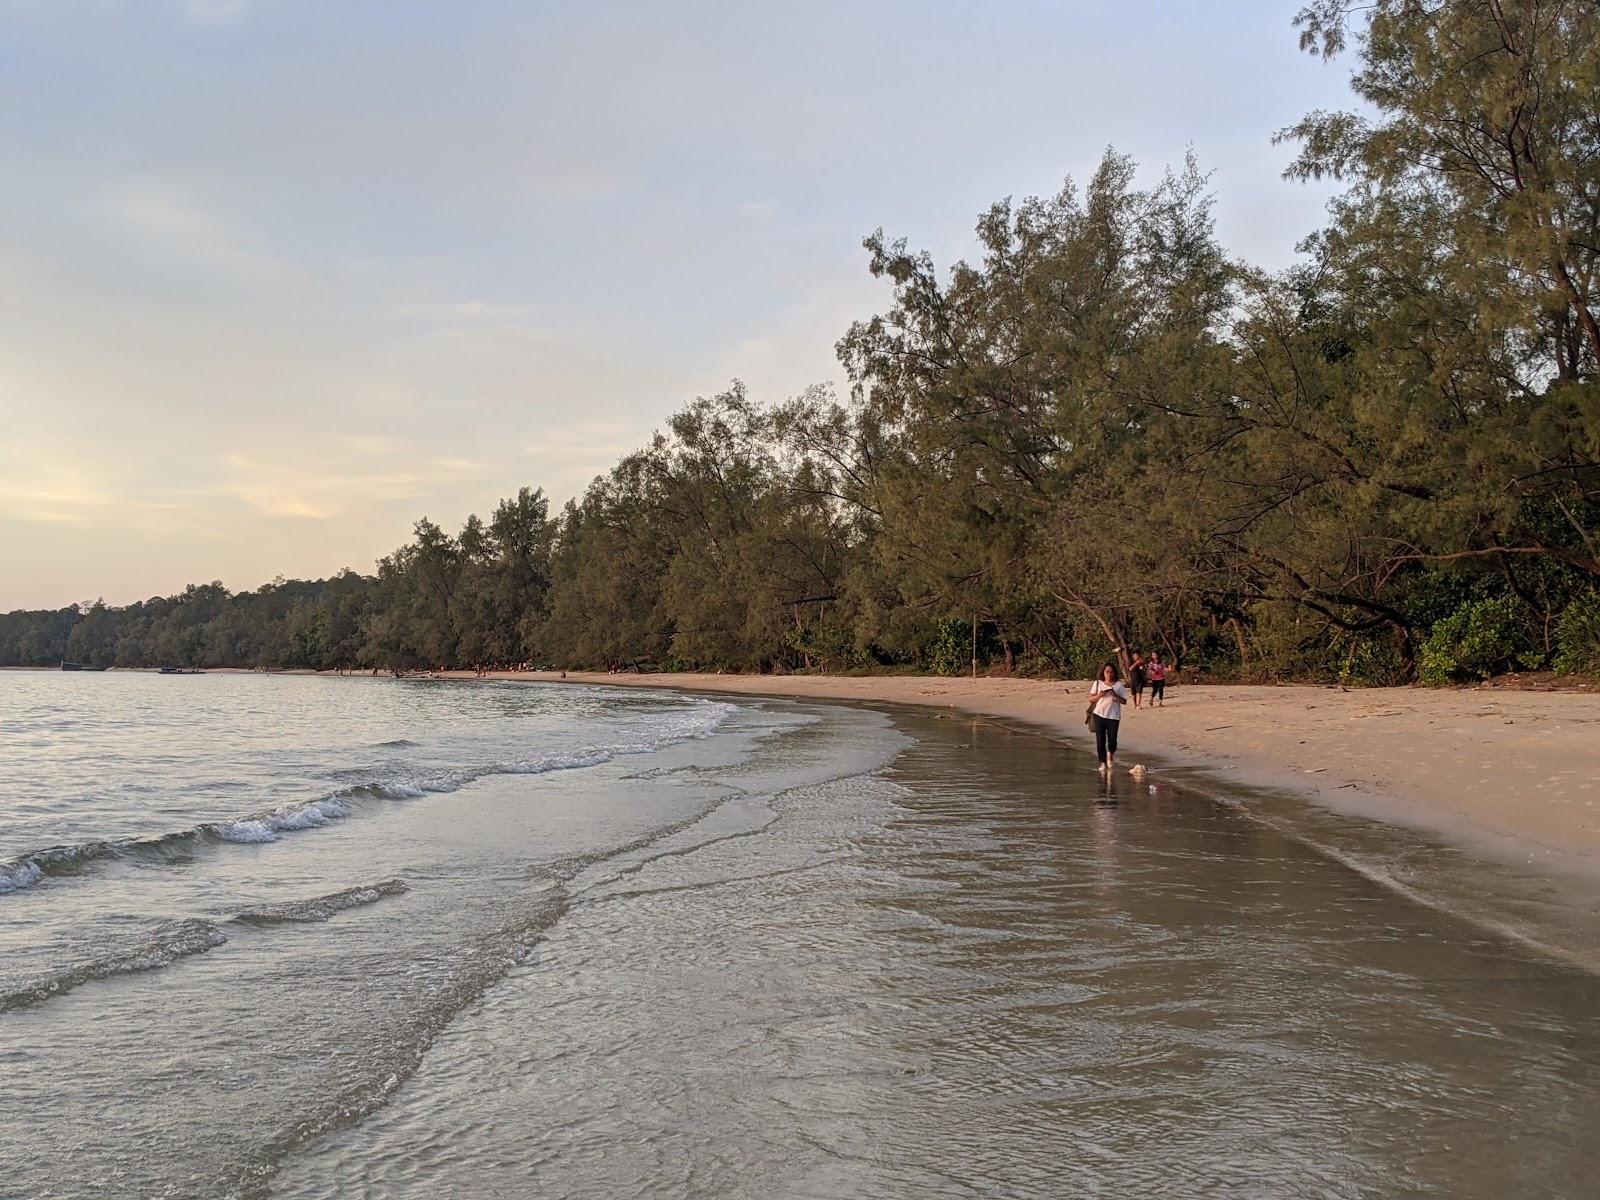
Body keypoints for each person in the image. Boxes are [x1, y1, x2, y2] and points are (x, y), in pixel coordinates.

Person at [1087, 662, 1129, 773]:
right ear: (1103, 672)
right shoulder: (1097, 683)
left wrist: (1115, 695)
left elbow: (1124, 701)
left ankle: (1110, 753)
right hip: (1099, 714)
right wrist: (1100, 695)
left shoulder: (1119, 685)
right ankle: (1103, 762)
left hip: (1113, 716)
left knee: (1112, 740)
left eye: (1111, 672)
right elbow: (1091, 699)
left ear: (1114, 673)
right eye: (1107, 672)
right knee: (1100, 740)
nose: (1109, 674)